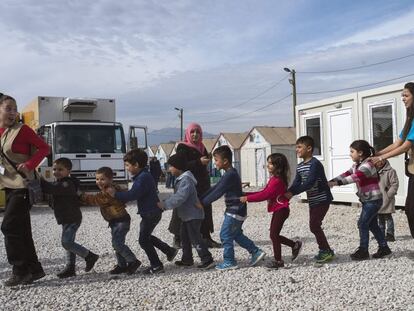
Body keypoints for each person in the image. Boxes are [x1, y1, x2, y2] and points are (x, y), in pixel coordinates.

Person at [0, 94, 49, 286]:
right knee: (22, 230)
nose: (13, 113)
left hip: (23, 186)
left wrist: (30, 163)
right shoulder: (1, 132)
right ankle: (34, 270)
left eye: (14, 108)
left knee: (9, 226)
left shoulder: (22, 130)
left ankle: (20, 271)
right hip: (7, 186)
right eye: (8, 108)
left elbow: (45, 148)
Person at [107, 148, 177, 274]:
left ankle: (156, 265)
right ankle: (169, 251)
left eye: (128, 165)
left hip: (151, 213)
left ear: (136, 165)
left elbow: (133, 194)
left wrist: (115, 195)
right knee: (146, 237)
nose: (127, 168)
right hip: (151, 213)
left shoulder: (143, 178)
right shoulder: (143, 176)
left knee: (143, 240)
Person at [200, 145, 265, 270]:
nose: (215, 164)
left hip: (235, 211)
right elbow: (215, 188)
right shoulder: (229, 174)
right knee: (236, 234)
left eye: (216, 161)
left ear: (225, 161)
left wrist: (202, 203)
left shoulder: (230, 175)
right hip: (237, 210)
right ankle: (255, 252)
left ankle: (229, 261)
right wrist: (201, 198)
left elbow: (218, 192)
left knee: (225, 235)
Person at [329, 140, 392, 260]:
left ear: (361, 153)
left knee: (362, 223)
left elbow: (354, 177)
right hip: (368, 200)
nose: (350, 154)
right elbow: (346, 174)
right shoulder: (356, 165)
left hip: (373, 200)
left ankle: (363, 250)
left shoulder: (368, 165)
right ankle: (384, 248)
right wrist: (331, 181)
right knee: (372, 224)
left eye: (352, 151)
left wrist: (336, 183)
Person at [240, 153, 301, 269]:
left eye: (271, 163)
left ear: (279, 167)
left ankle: (278, 261)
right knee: (274, 235)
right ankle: (294, 245)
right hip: (279, 210)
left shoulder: (277, 181)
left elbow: (265, 195)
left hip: (281, 210)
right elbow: (264, 191)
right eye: (268, 163)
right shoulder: (274, 179)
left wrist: (247, 198)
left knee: (273, 235)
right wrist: (246, 194)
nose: (268, 165)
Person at [41, 157, 99, 278]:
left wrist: (37, 178)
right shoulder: (60, 182)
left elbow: (50, 189)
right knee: (69, 243)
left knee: (66, 243)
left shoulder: (67, 183)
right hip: (66, 218)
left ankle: (90, 256)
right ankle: (70, 268)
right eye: (54, 169)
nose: (56, 172)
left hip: (72, 218)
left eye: (60, 169)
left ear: (69, 171)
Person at [371, 82, 414, 238]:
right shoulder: (410, 121)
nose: (403, 98)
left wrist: (381, 158)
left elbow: (405, 147)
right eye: (402, 95)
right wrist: (377, 153)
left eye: (406, 95)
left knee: (411, 210)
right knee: (410, 210)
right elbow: (398, 143)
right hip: (412, 170)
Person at [168, 123, 221, 249]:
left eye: (197, 132)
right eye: (192, 132)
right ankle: (178, 238)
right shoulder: (183, 148)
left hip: (202, 184)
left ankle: (206, 237)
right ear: (188, 133)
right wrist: (198, 162)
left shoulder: (202, 147)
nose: (195, 134)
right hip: (187, 183)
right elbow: (181, 166)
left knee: (205, 209)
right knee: (182, 210)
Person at [158, 153, 214, 269]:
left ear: (178, 167)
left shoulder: (186, 181)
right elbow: (177, 196)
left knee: (195, 238)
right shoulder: (182, 179)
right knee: (184, 237)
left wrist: (165, 205)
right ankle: (187, 259)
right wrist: (165, 201)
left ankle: (207, 259)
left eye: (171, 166)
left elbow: (180, 197)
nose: (169, 169)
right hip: (187, 216)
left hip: (193, 215)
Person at [80, 166, 141, 275]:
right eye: (97, 179)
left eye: (102, 179)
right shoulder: (109, 189)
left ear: (110, 179)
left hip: (121, 220)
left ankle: (133, 261)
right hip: (114, 221)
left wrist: (81, 196)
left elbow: (95, 200)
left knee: (117, 243)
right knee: (117, 243)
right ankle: (122, 265)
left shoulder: (109, 191)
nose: (99, 182)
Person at [285, 136, 335, 263]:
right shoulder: (300, 166)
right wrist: (288, 191)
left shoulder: (315, 164)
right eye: (296, 147)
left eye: (299, 147)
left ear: (309, 148)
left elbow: (310, 183)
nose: (297, 149)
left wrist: (293, 193)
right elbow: (297, 182)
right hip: (313, 200)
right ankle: (326, 250)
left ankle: (326, 251)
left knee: (314, 225)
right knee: (314, 225)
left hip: (322, 199)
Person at [376, 160, 399, 242]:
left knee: (388, 216)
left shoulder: (391, 171)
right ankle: (381, 234)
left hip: (387, 198)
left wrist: (389, 194)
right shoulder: (375, 171)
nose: (379, 162)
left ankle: (390, 234)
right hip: (378, 198)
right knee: (380, 217)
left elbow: (395, 184)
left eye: (380, 161)